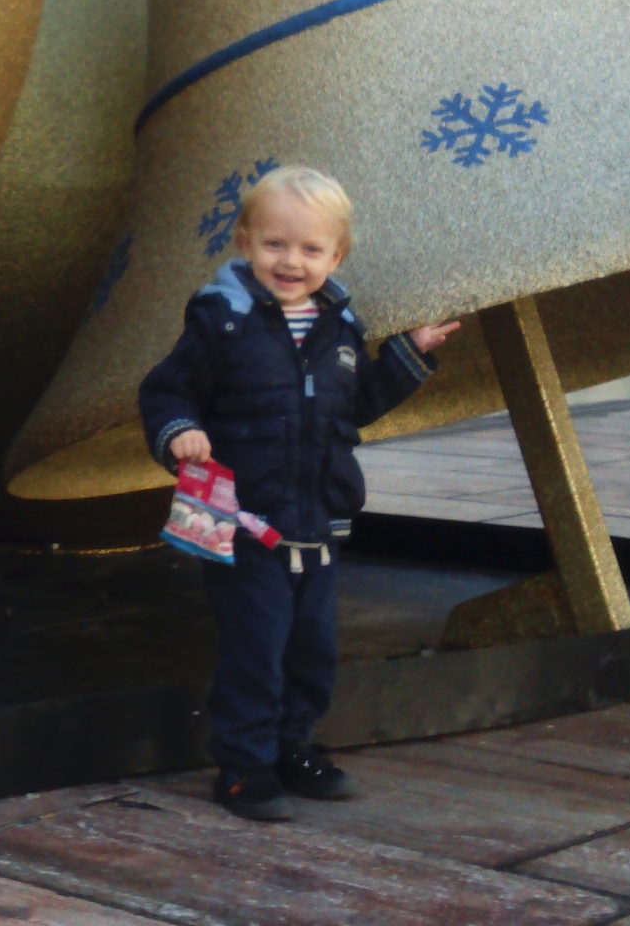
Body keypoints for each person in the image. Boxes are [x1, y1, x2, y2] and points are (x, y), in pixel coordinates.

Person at [138, 166, 459, 821]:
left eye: (311, 249)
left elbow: (355, 407)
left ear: (335, 256)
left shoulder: (339, 328)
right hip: (244, 520)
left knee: (313, 648)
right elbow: (167, 390)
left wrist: (409, 355)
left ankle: (294, 745)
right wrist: (180, 431)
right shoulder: (223, 321)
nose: (291, 261)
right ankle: (244, 765)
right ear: (245, 242)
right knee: (256, 647)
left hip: (317, 520)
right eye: (275, 244)